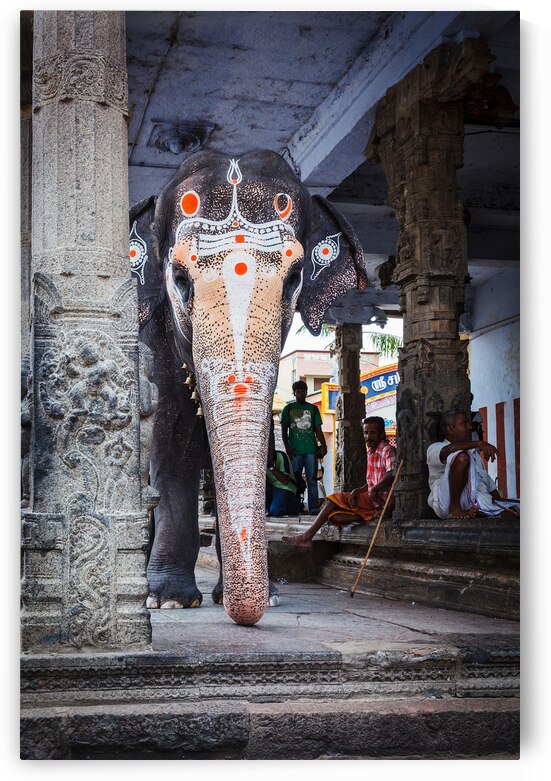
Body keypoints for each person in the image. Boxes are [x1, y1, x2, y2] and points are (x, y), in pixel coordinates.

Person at [281, 416, 396, 549]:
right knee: (335, 518)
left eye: (372, 433)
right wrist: (358, 491)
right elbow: (371, 483)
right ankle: (367, 514)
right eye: (366, 433)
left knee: (333, 500)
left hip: (382, 499)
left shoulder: (387, 449)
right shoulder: (370, 451)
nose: (368, 436)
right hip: (370, 498)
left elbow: (391, 474)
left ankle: (306, 536)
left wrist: (374, 489)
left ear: (382, 433)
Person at [426, 409, 520, 519]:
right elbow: (448, 450)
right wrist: (479, 443)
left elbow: (494, 495)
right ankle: (455, 509)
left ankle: (479, 512)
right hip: (446, 502)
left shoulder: (474, 454)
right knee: (462, 457)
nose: (470, 427)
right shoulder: (435, 448)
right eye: (464, 424)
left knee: (516, 510)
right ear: (450, 429)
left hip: (480, 503)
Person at [280, 380, 327, 515]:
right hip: (295, 450)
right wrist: (287, 446)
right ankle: (295, 507)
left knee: (312, 480)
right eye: (298, 392)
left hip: (310, 450)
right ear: (294, 393)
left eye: (303, 392)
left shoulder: (313, 409)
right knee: (295, 480)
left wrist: (323, 446)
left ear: (306, 392)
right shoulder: (288, 409)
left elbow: (318, 429)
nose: (301, 394)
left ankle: (313, 509)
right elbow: (284, 431)